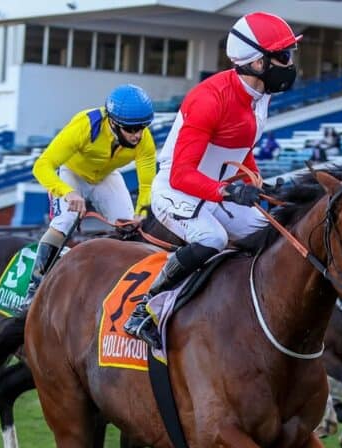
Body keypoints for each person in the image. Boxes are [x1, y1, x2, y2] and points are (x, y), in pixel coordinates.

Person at [123, 11, 301, 345]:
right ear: (256, 62)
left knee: (270, 233)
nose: (289, 63)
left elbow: (240, 149)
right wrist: (230, 192)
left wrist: (255, 180)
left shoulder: (261, 97)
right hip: (178, 191)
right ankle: (143, 309)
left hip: (217, 193)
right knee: (212, 239)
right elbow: (181, 174)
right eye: (282, 55)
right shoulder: (209, 99)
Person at [24, 84, 156, 305]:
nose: (138, 135)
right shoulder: (85, 126)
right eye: (131, 130)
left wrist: (142, 211)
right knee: (65, 220)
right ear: (113, 122)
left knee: (131, 227)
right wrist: (67, 193)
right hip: (72, 173)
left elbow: (147, 186)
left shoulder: (144, 140)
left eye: (142, 127)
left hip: (106, 177)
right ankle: (34, 288)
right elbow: (42, 165)